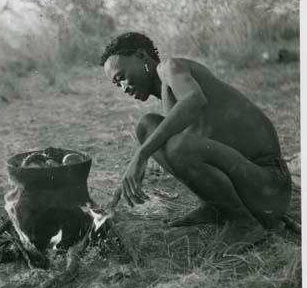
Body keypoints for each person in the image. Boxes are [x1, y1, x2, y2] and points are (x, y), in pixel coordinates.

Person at [100, 32, 292, 247]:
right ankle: (216, 207)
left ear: (141, 56)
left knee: (178, 146)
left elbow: (194, 100)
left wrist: (142, 154)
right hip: (248, 186)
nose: (124, 87)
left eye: (121, 76)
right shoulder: (168, 94)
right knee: (147, 126)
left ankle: (244, 223)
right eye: (117, 85)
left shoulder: (170, 67)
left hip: (270, 187)